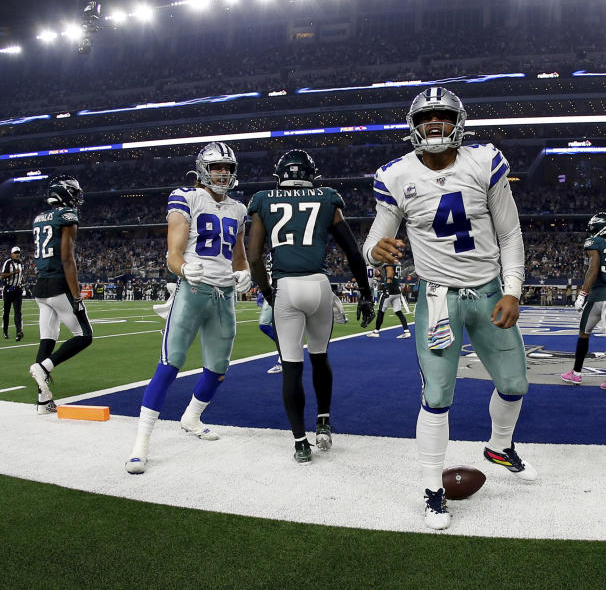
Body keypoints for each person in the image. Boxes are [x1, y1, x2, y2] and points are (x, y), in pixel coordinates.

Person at [363, 86, 534, 530]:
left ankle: (499, 445)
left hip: (488, 289)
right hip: (438, 298)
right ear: (413, 126)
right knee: (437, 397)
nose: (433, 124)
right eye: (425, 117)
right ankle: (431, 491)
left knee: (515, 383)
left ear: (458, 121)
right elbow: (372, 241)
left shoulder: (484, 162)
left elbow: (510, 235)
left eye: (441, 115)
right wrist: (374, 251)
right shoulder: (396, 175)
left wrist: (513, 290)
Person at [126, 142, 251, 474]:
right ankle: (141, 443)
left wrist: (245, 272)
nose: (223, 172)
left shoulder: (238, 209)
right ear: (203, 168)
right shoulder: (186, 197)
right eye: (216, 167)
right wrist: (183, 268)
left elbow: (238, 256)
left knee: (218, 369)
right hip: (192, 290)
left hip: (224, 296)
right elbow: (173, 254)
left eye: (228, 167)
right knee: (170, 365)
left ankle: (192, 417)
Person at [246, 149, 375, 463]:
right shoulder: (327, 198)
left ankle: (300, 443)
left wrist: (268, 291)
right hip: (318, 285)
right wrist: (365, 293)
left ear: (280, 176)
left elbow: (253, 258)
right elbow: (353, 252)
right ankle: (323, 421)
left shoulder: (264, 199)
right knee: (320, 357)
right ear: (311, 174)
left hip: (286, 286)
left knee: (291, 366)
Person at [25, 177, 95, 414]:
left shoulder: (39, 218)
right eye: (74, 194)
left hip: (41, 286)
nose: (77, 199)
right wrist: (76, 295)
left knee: (48, 338)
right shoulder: (66, 217)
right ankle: (44, 367)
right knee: (84, 335)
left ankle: (43, 401)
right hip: (58, 284)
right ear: (66, 195)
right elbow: (67, 258)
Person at [560, 212, 606, 391]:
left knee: (584, 333)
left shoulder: (595, 242)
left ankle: (576, 374)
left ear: (598, 227)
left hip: (599, 295)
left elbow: (593, 269)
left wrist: (582, 294)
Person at [369, 262, 411, 338]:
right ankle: (406, 331)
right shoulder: (397, 263)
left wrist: (387, 288)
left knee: (380, 311)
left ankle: (376, 331)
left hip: (389, 291)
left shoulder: (389, 263)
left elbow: (390, 273)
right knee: (398, 312)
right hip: (397, 290)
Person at [2, 245, 26, 341]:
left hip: (17, 290)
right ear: (11, 254)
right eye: (15, 253)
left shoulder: (20, 263)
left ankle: (19, 332)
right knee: (6, 312)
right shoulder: (8, 263)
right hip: (8, 289)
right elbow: (2, 276)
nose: (17, 254)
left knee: (18, 312)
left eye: (18, 253)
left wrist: (22, 280)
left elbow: (20, 275)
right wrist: (13, 273)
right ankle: (5, 330)